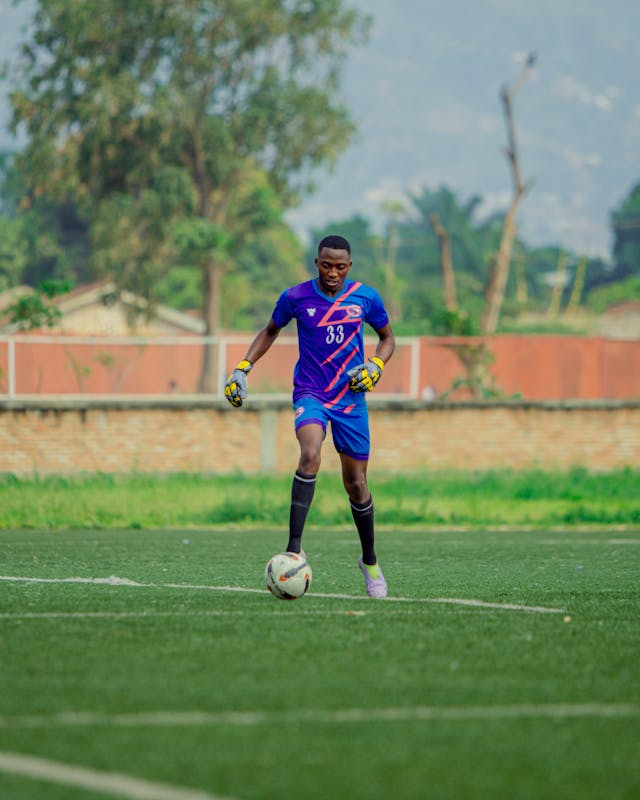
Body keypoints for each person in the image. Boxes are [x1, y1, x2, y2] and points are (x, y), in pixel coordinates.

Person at [224, 234, 395, 598]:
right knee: (310, 453)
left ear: (349, 267)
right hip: (311, 393)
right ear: (316, 263)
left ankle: (369, 562)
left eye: (340, 267)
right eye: (326, 265)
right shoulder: (295, 297)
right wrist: (243, 367)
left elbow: (387, 338)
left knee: (356, 484)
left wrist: (377, 365)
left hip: (350, 397)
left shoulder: (366, 297)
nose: (333, 272)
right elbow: (270, 329)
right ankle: (293, 549)